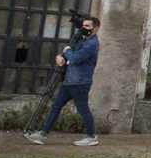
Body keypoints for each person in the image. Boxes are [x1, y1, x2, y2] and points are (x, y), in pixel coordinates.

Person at [24, 16, 101, 146]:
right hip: (69, 80)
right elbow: (68, 50)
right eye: (83, 25)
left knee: (82, 109)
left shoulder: (92, 44)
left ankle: (92, 136)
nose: (84, 28)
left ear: (95, 28)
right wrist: (60, 55)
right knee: (56, 106)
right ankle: (42, 135)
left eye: (87, 26)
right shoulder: (82, 41)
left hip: (80, 81)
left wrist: (67, 51)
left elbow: (75, 58)